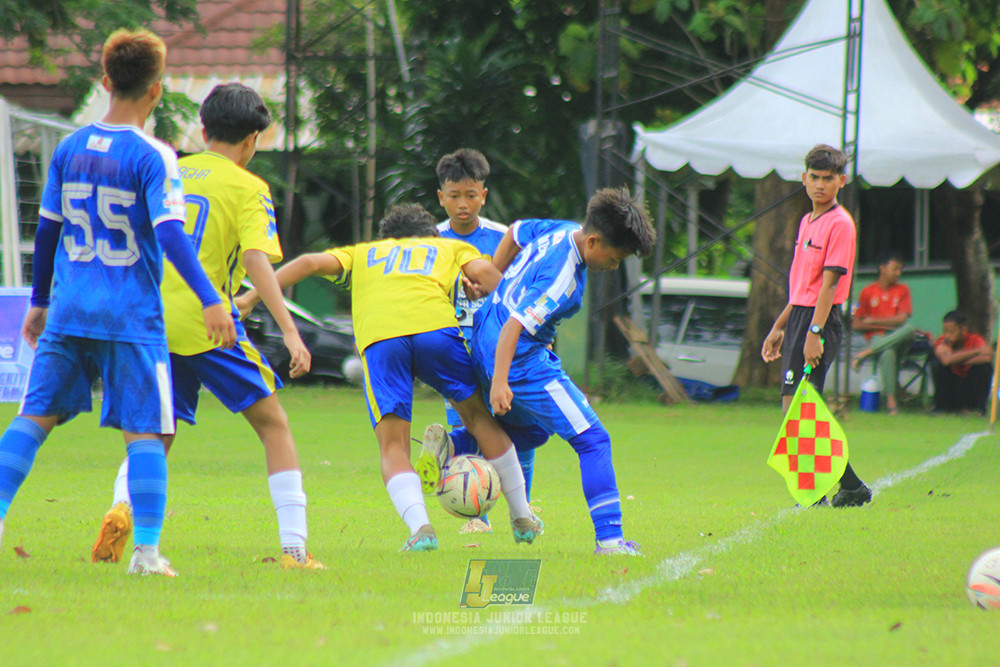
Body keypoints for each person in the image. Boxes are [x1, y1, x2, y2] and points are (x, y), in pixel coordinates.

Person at [0, 29, 236, 576]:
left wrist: (39, 300)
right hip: (131, 316)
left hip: (70, 309)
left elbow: (48, 230)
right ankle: (147, 554)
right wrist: (210, 298)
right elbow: (171, 233)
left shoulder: (70, 148)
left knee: (34, 418)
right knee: (145, 431)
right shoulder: (154, 156)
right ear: (156, 89)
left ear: (105, 81)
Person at [90, 83, 324, 570]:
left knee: (157, 432)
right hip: (208, 321)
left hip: (151, 320)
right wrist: (290, 330)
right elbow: (257, 260)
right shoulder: (248, 187)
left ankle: (121, 508)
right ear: (253, 139)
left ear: (203, 127)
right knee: (274, 425)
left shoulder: (169, 170)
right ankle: (294, 550)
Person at [236, 203, 542, 552]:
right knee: (478, 418)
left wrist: (251, 296)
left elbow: (307, 263)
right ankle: (522, 516)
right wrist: (518, 313)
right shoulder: (448, 246)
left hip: (383, 340)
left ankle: (421, 529)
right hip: (436, 332)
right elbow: (486, 273)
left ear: (386, 237)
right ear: (431, 236)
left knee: (393, 445)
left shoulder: (364, 253)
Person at [466, 186, 655, 556]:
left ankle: (458, 448)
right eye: (614, 258)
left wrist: (497, 282)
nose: (613, 267)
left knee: (533, 431)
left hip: (485, 334)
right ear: (594, 241)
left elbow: (515, 232)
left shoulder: (562, 229)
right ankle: (610, 541)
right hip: (518, 360)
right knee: (593, 439)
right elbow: (515, 326)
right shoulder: (564, 276)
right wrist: (500, 382)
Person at [426, 148, 538, 535]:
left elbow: (522, 296)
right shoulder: (429, 241)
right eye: (454, 196)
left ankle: (523, 508)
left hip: (502, 353)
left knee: (519, 428)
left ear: (484, 196)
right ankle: (477, 516)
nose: (463, 204)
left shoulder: (503, 239)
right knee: (471, 427)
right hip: (455, 352)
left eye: (471, 195)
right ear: (441, 197)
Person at [761, 144, 871, 508]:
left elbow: (828, 286)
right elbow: (801, 287)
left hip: (820, 320)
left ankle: (820, 494)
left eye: (828, 178)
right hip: (800, 318)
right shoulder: (807, 221)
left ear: (842, 181)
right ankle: (848, 487)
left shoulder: (840, 224)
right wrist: (780, 326)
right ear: (803, 178)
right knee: (798, 410)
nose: (820, 185)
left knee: (797, 409)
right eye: (815, 177)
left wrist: (814, 333)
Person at [850, 251, 916, 414]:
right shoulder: (867, 291)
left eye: (900, 270)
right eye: (895, 269)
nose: (898, 273)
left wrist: (873, 321)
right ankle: (891, 402)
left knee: (909, 329)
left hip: (897, 337)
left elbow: (901, 319)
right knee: (888, 353)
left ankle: (866, 353)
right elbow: (856, 324)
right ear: (882, 268)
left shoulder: (903, 290)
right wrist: (883, 324)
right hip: (876, 337)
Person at [931, 310, 992, 414]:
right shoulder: (942, 342)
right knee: (937, 364)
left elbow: (987, 357)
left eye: (951, 332)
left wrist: (957, 359)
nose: (947, 336)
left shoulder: (975, 340)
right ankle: (941, 408)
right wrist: (976, 352)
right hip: (951, 387)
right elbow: (946, 360)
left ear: (963, 330)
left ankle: (977, 409)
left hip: (968, 385)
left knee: (985, 368)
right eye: (945, 331)